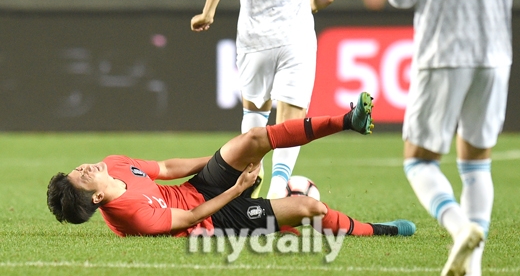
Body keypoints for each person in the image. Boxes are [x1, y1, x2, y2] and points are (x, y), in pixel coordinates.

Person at [384, 0, 520, 275]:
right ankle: (472, 269)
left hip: (441, 50)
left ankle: (459, 227)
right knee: (477, 162)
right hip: (494, 50)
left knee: (419, 161)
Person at [47, 92, 416, 239]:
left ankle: (346, 120)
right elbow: (192, 220)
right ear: (95, 198)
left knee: (252, 139)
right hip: (214, 217)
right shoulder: (132, 218)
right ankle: (381, 230)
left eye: (77, 169)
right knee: (310, 208)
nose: (84, 167)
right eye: (82, 177)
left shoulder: (115, 164)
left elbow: (167, 165)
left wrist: (221, 159)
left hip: (198, 188)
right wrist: (237, 188)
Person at [190, 0, 336, 199]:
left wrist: (208, 11)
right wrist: (310, 4)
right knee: (290, 120)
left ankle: (246, 191)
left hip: (255, 42)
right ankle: (275, 196)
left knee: (255, 117)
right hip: (296, 41)